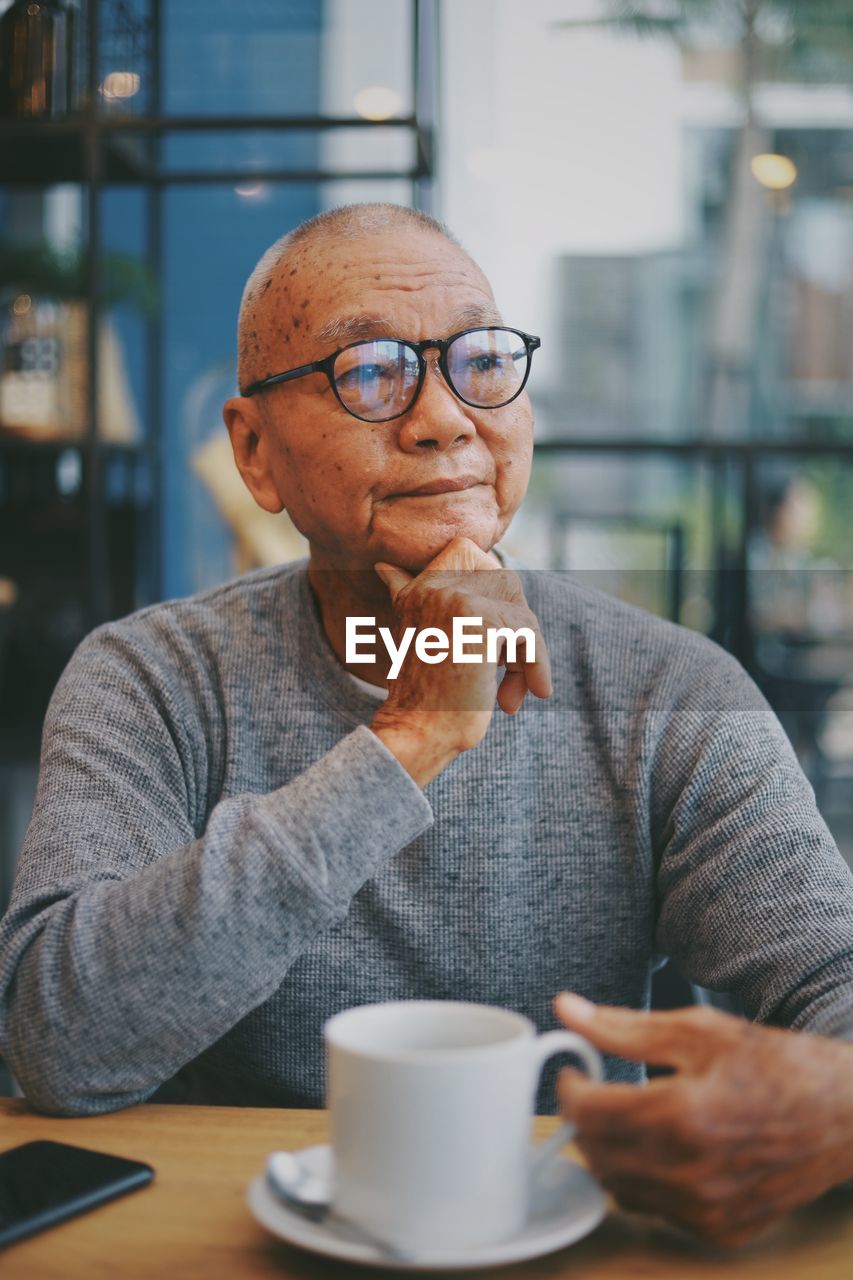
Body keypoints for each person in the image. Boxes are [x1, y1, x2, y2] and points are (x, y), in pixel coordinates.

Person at [1, 203, 852, 1249]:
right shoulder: (150, 677)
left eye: (481, 360)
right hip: (221, 1239)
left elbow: (833, 984)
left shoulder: (669, 690)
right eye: (371, 370)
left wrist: (834, 1104)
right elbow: (57, 1036)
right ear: (255, 451)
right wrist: (411, 733)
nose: (446, 417)